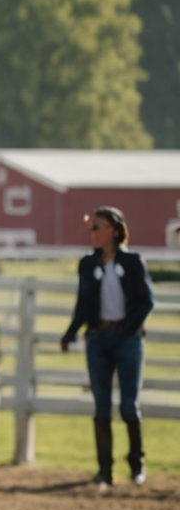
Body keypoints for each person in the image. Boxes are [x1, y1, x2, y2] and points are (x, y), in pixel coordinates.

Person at [62, 206, 154, 487]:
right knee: (101, 406)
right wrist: (70, 333)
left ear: (113, 231)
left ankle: (136, 465)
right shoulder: (88, 264)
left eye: (96, 227)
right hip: (98, 340)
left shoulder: (134, 261)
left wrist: (129, 328)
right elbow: (83, 302)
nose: (92, 233)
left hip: (127, 339)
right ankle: (105, 471)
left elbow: (146, 301)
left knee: (128, 405)